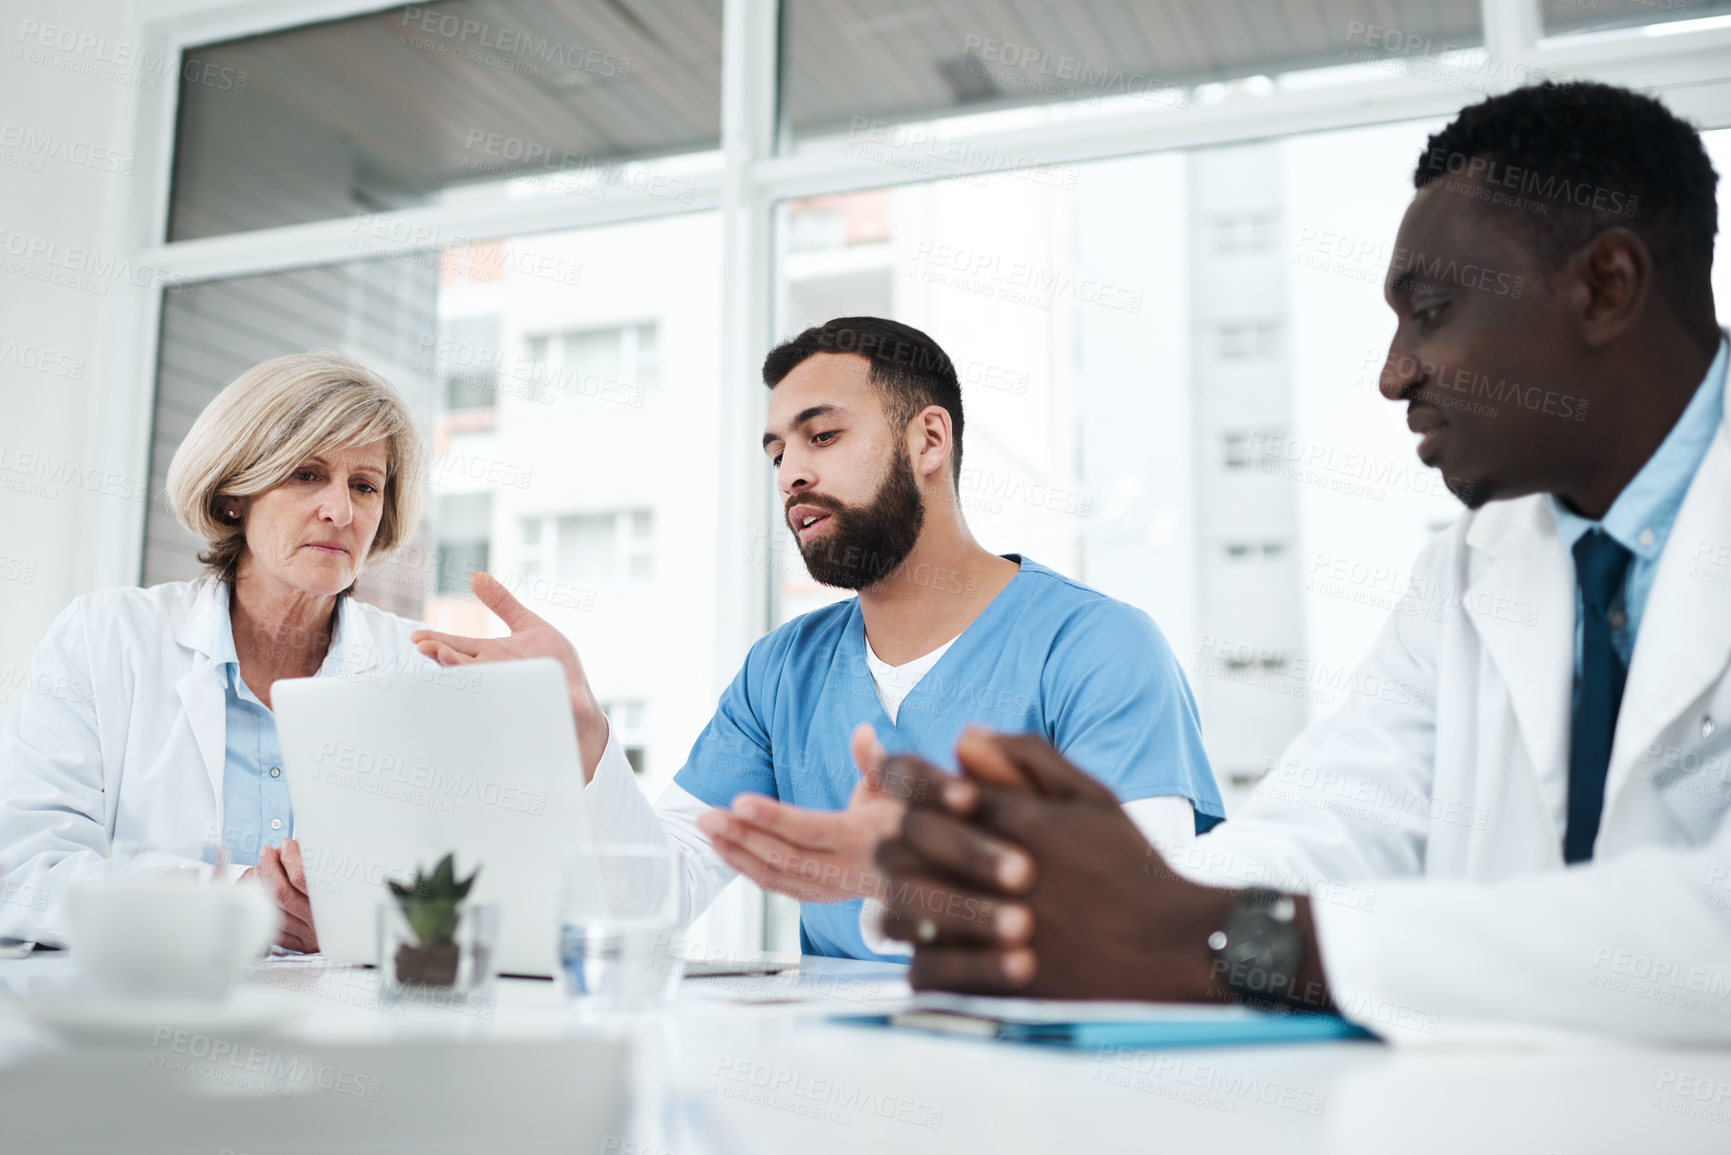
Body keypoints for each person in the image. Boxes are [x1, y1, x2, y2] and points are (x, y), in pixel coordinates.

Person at [871, 81, 1731, 1043]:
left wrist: (1219, 933)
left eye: (1434, 311)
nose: (1393, 372)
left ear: (1605, 287)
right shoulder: (1470, 569)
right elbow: (1328, 826)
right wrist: (1046, 889)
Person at [412, 316, 1225, 959]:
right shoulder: (781, 671)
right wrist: (586, 736)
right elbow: (648, 901)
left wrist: (912, 879)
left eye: (821, 435)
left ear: (929, 441)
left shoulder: (1097, 646)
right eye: (776, 451)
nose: (790, 472)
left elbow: (1146, 918)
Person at [0, 352, 433, 953]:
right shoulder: (106, 637)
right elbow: (24, 876)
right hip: (140, 1027)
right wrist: (232, 901)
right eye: (306, 474)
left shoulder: (418, 668)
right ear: (235, 495)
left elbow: (468, 891)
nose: (341, 510)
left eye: (366, 486)